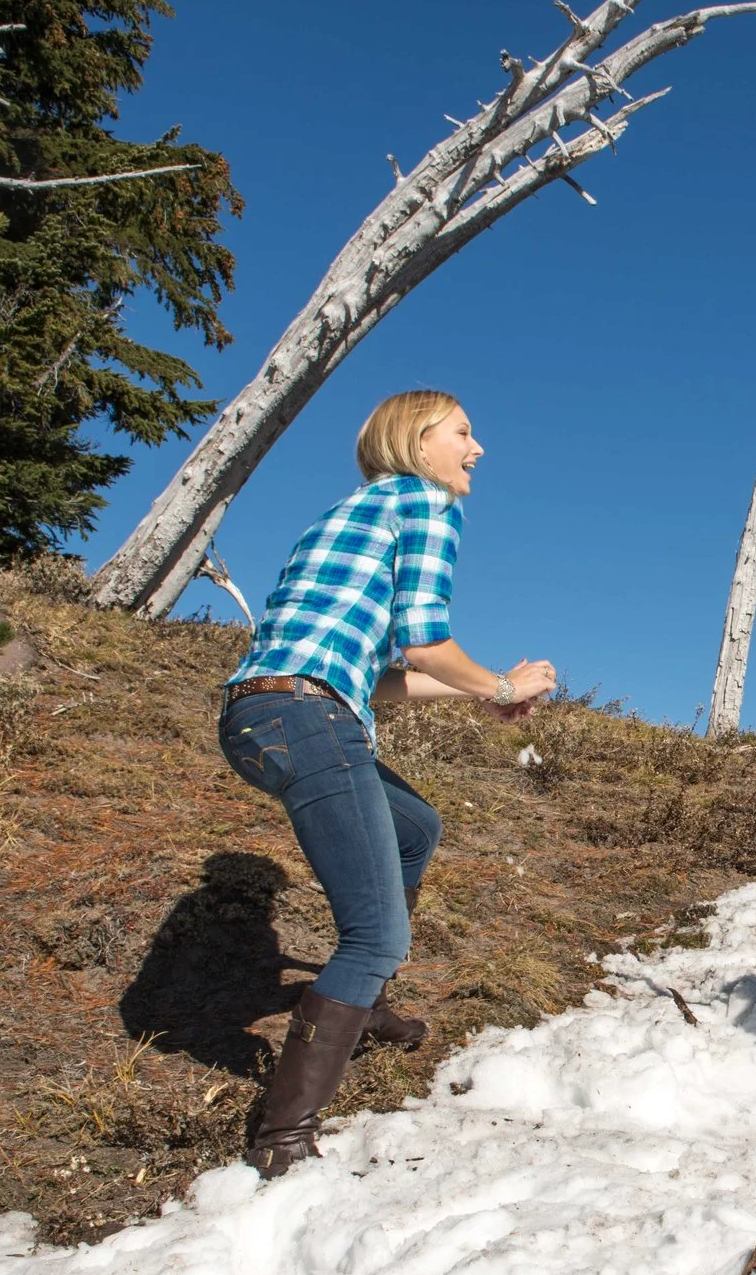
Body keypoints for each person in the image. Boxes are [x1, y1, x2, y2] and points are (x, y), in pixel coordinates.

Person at [217, 390, 554, 1176]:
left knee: (415, 828)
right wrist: (502, 689)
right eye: (464, 433)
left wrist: (489, 688)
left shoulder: (349, 515)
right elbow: (428, 645)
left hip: (261, 716)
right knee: (377, 935)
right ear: (419, 440)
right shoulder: (426, 504)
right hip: (306, 717)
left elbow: (378, 678)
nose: (478, 449)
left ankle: (360, 1006)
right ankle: (282, 1140)